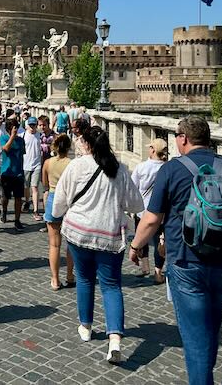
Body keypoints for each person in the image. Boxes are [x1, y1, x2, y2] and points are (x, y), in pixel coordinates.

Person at [129, 116, 222, 385]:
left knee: (196, 337)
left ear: (183, 138)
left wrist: (135, 246)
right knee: (210, 329)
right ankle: (204, 374)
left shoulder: (171, 170)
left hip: (186, 262)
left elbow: (150, 219)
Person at [52, 126, 143, 364]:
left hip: (79, 233)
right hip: (109, 234)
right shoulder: (120, 170)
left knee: (84, 279)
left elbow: (60, 201)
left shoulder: (77, 165)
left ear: (87, 145)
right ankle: (115, 339)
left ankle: (86, 326)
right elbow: (136, 204)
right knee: (111, 286)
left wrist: (58, 213)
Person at [130, 139, 168, 283]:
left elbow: (133, 188)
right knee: (160, 241)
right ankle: (158, 272)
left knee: (143, 238)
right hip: (161, 213)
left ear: (152, 150)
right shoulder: (167, 168)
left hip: (143, 210)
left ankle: (145, 267)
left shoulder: (141, 167)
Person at [42, 134, 75, 290]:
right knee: (71, 243)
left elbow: (45, 184)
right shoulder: (72, 164)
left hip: (53, 198)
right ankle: (70, 275)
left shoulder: (48, 163)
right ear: (69, 147)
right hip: (69, 200)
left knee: (54, 245)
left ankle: (55, 279)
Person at [0, 118, 27, 232]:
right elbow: (5, 149)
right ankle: (4, 211)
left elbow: (23, 153)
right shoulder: (3, 138)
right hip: (7, 172)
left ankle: (17, 220)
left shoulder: (21, 140)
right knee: (5, 197)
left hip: (18, 173)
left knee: (18, 198)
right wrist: (12, 137)